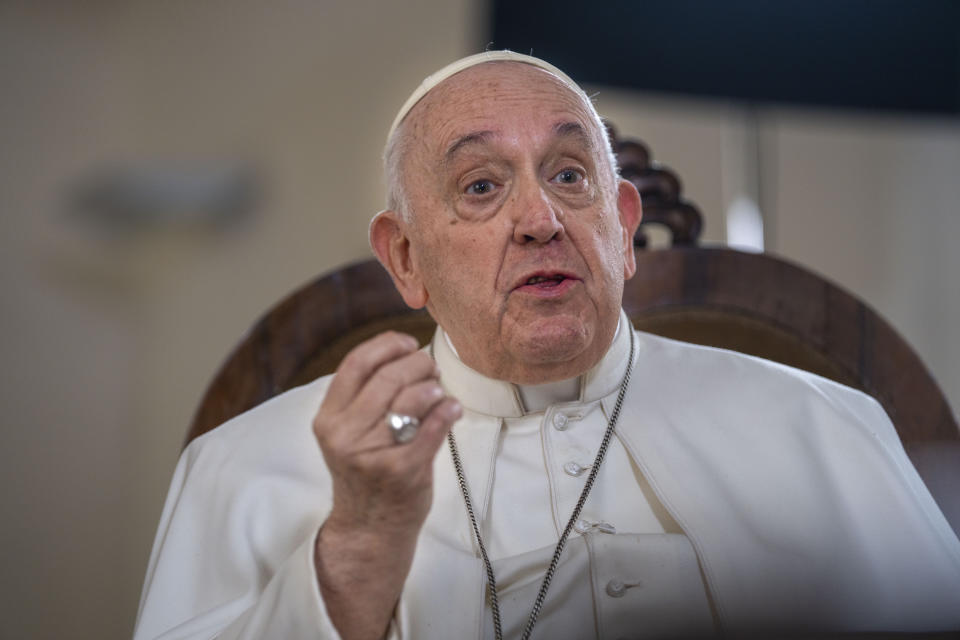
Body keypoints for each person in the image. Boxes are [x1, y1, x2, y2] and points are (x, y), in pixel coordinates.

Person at [133, 51, 960, 640]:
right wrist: (355, 548)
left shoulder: (818, 427)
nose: (541, 220)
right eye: (482, 186)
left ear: (625, 230)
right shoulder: (240, 468)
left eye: (569, 175)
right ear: (407, 259)